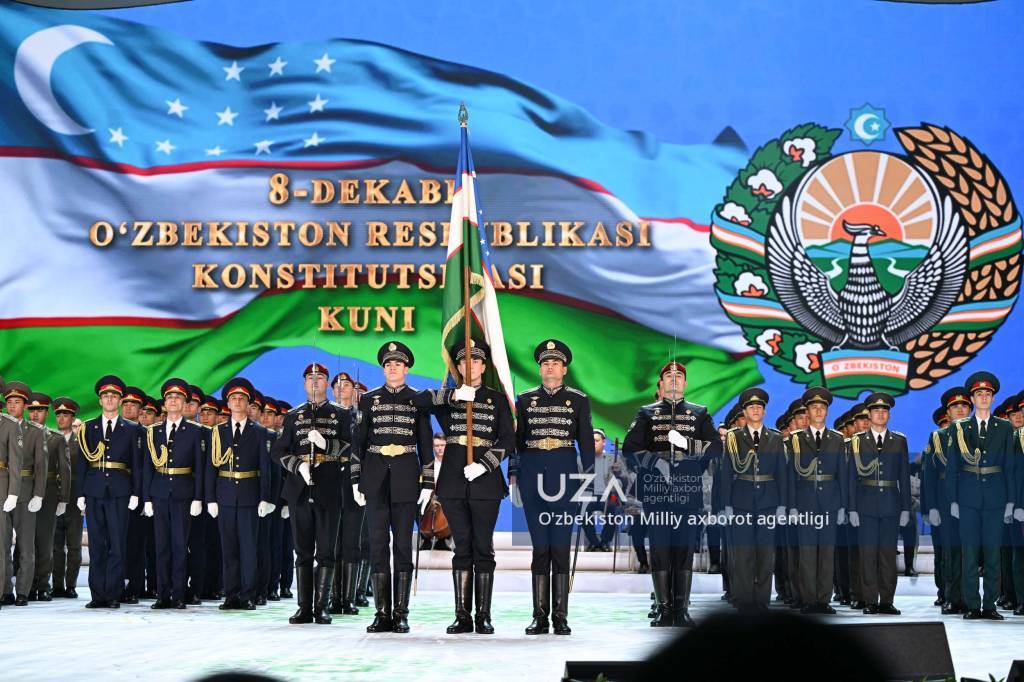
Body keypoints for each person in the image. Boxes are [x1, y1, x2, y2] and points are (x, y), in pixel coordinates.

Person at [411, 338, 514, 635]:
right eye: (464, 361)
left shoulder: (496, 400)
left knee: (483, 548)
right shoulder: (450, 397)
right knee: (462, 548)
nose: (470, 366)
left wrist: (485, 464)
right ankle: (462, 615)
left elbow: (508, 439)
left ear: (483, 366)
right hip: (454, 482)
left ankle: (483, 615)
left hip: (486, 482)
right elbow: (418, 400)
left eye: (476, 361)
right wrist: (453, 395)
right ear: (457, 366)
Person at [623, 360, 719, 627]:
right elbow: (630, 449)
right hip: (657, 492)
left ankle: (681, 609)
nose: (674, 379)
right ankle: (664, 610)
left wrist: (687, 445)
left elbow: (716, 448)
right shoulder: (646, 413)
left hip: (688, 491)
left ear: (685, 383)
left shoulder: (699, 413)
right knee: (661, 550)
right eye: (668, 376)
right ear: (661, 383)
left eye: (679, 376)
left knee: (684, 551)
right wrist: (656, 462)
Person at [510, 339, 596, 635]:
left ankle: (560, 616)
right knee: (540, 549)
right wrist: (513, 476)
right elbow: (517, 443)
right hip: (532, 479)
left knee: (560, 548)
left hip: (565, 481)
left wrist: (588, 481)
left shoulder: (578, 399)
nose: (550, 367)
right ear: (539, 369)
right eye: (545, 363)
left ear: (564, 369)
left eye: (555, 363)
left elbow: (586, 444)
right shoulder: (524, 399)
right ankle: (539, 616)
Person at [351, 342, 433, 633]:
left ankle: (401, 612)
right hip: (374, 479)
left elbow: (426, 443)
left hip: (406, 478)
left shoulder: (418, 399)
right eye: (388, 364)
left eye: (398, 364)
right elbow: (358, 443)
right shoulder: (368, 399)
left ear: (406, 368)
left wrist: (428, 482)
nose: (393, 368)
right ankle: (381, 612)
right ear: (383, 369)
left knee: (402, 546)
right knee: (377, 545)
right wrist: (355, 480)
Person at [273, 363, 351, 625]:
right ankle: (304, 607)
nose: (314, 382)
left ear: (328, 383)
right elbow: (278, 451)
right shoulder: (293, 416)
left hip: (329, 485)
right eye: (310, 378)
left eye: (320, 378)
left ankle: (322, 607)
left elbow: (352, 448)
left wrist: (327, 445)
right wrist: (298, 466)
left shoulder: (341, 414)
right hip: (299, 487)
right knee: (303, 550)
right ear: (304, 383)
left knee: (326, 550)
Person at [946, 371, 1016, 620]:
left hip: (996, 497)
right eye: (979, 394)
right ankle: (973, 605)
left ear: (993, 398)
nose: (984, 397)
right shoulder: (960, 428)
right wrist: (953, 500)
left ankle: (990, 605)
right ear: (973, 399)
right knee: (970, 553)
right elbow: (952, 467)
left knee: (993, 553)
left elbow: (1010, 467)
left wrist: (1011, 502)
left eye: (988, 394)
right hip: (967, 497)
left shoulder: (1004, 427)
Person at [205, 377, 276, 610]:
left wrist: (265, 497)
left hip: (249, 495)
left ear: (248, 403)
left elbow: (265, 468)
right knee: (229, 548)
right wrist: (210, 498)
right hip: (225, 495)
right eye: (233, 398)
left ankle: (247, 595)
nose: (237, 402)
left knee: (248, 548)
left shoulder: (260, 432)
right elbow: (210, 468)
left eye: (241, 399)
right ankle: (231, 594)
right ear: (227, 403)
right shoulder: (218, 432)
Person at [74, 375, 143, 608]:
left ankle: (113, 593)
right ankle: (97, 595)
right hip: (94, 490)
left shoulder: (132, 429)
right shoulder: (88, 427)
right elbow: (83, 463)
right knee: (96, 544)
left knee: (117, 543)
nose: (110, 399)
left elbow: (137, 465)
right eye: (106, 396)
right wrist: (80, 494)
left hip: (120, 490)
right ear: (100, 400)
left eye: (114, 396)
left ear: (120, 400)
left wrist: (136, 493)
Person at [720, 388, 787, 612]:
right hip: (741, 501)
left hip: (768, 502)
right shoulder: (734, 437)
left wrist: (782, 505)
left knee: (765, 554)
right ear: (745, 412)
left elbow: (782, 473)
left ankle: (762, 599)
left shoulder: (775, 438)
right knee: (743, 553)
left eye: (759, 407)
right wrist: (726, 505)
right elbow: (726, 472)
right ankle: (744, 599)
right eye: (751, 407)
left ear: (764, 412)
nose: (756, 410)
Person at [142, 378, 206, 610]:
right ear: (164, 403)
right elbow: (147, 467)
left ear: (185, 403)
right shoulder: (153, 431)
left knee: (180, 546)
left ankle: (178, 594)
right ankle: (163, 594)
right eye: (169, 397)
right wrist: (146, 498)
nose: (173, 400)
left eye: (178, 397)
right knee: (161, 546)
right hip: (159, 492)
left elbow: (200, 467)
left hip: (183, 492)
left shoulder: (195, 431)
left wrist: (198, 497)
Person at [847, 392, 911, 616]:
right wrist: (852, 509)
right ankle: (870, 601)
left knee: (887, 555)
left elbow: (904, 476)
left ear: (889, 415)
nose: (881, 414)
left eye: (884, 410)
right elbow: (851, 478)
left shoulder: (899, 441)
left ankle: (887, 601)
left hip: (891, 504)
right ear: (869, 415)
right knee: (867, 555)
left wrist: (906, 508)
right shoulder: (857, 442)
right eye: (876, 410)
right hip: (865, 505)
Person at [787, 387, 847, 615]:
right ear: (808, 412)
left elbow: (843, 475)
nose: (819, 411)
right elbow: (790, 476)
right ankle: (809, 599)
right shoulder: (796, 439)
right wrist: (792, 506)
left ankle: (823, 600)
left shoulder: (837, 439)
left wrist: (843, 507)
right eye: (814, 407)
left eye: (822, 407)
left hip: (830, 502)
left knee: (827, 554)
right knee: (807, 554)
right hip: (804, 503)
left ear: (827, 411)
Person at [1, 381, 46, 606]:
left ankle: (23, 591)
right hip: (3, 490)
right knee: (3, 543)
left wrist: (39, 494)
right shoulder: (4, 425)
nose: (12, 406)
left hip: (26, 492)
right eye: (9, 402)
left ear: (25, 406)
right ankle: (6, 590)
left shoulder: (35, 431)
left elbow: (41, 465)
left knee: (26, 545)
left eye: (17, 402)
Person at [326, 371, 365, 616]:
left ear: (354, 389)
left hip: (354, 483)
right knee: (330, 542)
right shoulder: (324, 415)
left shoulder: (361, 416)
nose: (341, 388)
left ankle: (348, 598)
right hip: (329, 482)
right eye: (337, 385)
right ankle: (332, 597)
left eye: (346, 384)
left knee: (351, 541)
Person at [26, 393, 68, 602]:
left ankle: (42, 585)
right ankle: (26, 585)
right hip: (25, 490)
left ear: (47, 413)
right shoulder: (19, 434)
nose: (35, 414)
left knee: (44, 541)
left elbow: (65, 470)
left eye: (40, 410)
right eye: (32, 410)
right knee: (25, 542)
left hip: (49, 494)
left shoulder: (55, 438)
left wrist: (63, 498)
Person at [50, 397, 81, 598]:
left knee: (74, 545)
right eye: (59, 415)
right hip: (54, 497)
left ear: (73, 417)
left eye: (66, 415)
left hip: (74, 498)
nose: (61, 418)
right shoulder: (50, 439)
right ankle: (57, 585)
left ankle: (71, 585)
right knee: (55, 545)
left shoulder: (81, 442)